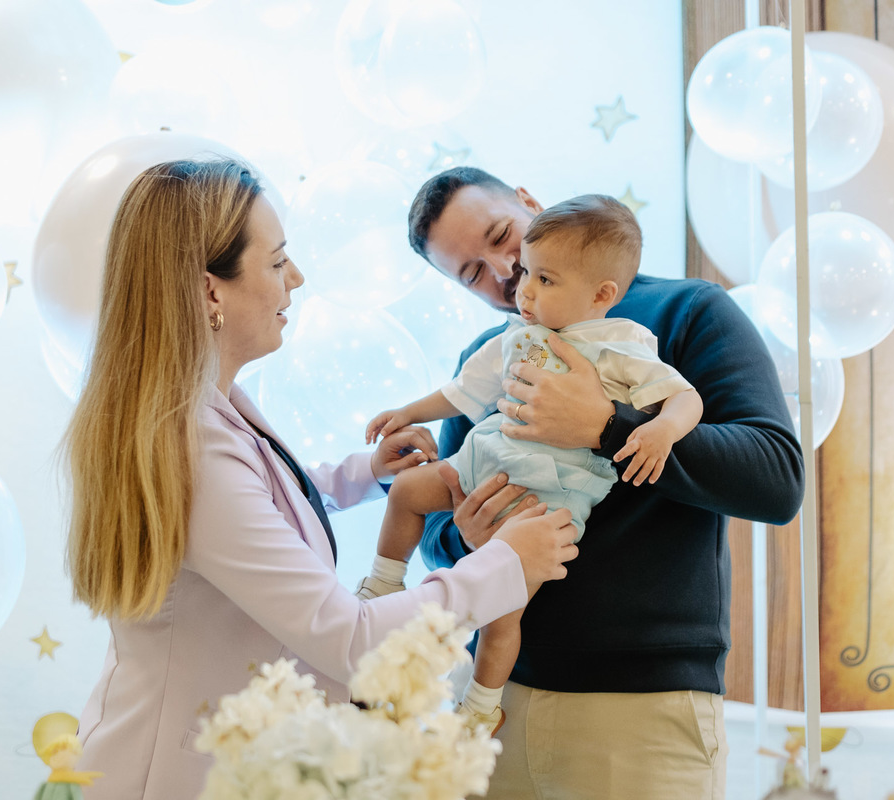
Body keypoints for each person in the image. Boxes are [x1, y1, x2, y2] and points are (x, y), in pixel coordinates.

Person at [62, 159, 580, 800]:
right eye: (278, 262)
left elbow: (265, 499)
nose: (297, 279)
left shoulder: (209, 410)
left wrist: (365, 474)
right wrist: (506, 564)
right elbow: (353, 642)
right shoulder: (194, 446)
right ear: (211, 292)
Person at [408, 167, 806, 799]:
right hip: (494, 700)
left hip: (642, 711)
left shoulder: (687, 312)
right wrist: (465, 536)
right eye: (473, 273)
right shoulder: (493, 354)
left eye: (501, 235)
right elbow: (437, 532)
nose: (505, 270)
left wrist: (607, 426)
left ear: (530, 203)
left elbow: (776, 477)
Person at [357, 194, 703, 735]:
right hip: (483, 466)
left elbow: (684, 397)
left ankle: (480, 706)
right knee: (405, 492)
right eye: (525, 275)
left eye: (543, 278)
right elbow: (460, 392)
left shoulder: (621, 344)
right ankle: (382, 586)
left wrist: (660, 429)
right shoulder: (512, 336)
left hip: (544, 506)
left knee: (503, 617)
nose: (522, 288)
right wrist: (409, 412)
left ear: (601, 294)